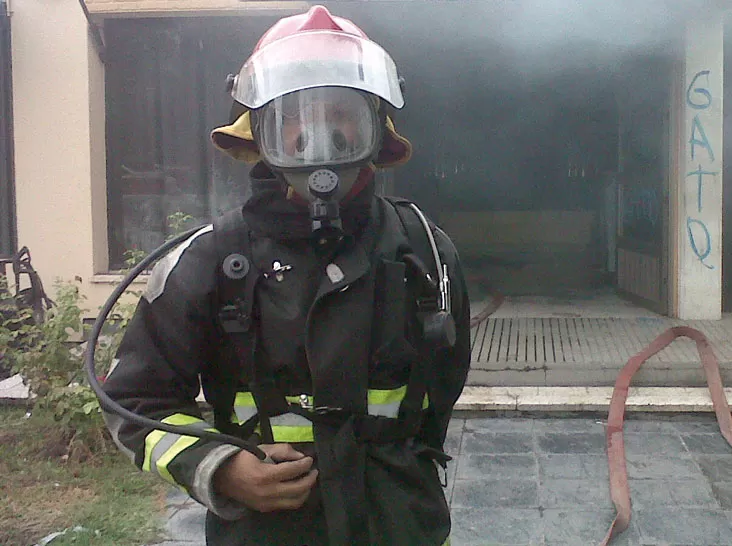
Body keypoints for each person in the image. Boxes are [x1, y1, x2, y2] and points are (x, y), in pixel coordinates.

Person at [100, 6, 471, 545]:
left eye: (342, 113)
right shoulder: (207, 260)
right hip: (265, 531)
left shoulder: (426, 251)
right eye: (295, 117)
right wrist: (219, 466)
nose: (319, 134)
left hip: (398, 525)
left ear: (374, 128)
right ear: (261, 134)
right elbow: (134, 401)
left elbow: (441, 388)